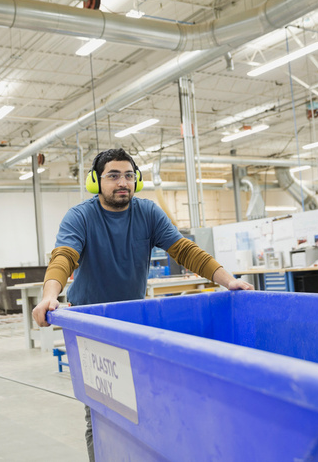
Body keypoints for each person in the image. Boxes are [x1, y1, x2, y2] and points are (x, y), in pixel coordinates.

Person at [32, 148, 253, 462]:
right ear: (95, 181)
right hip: (90, 323)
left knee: (140, 402)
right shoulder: (80, 216)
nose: (123, 183)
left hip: (132, 320)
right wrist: (49, 295)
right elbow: (64, 257)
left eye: (128, 175)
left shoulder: (148, 213)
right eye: (113, 176)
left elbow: (185, 251)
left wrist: (228, 280)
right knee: (99, 408)